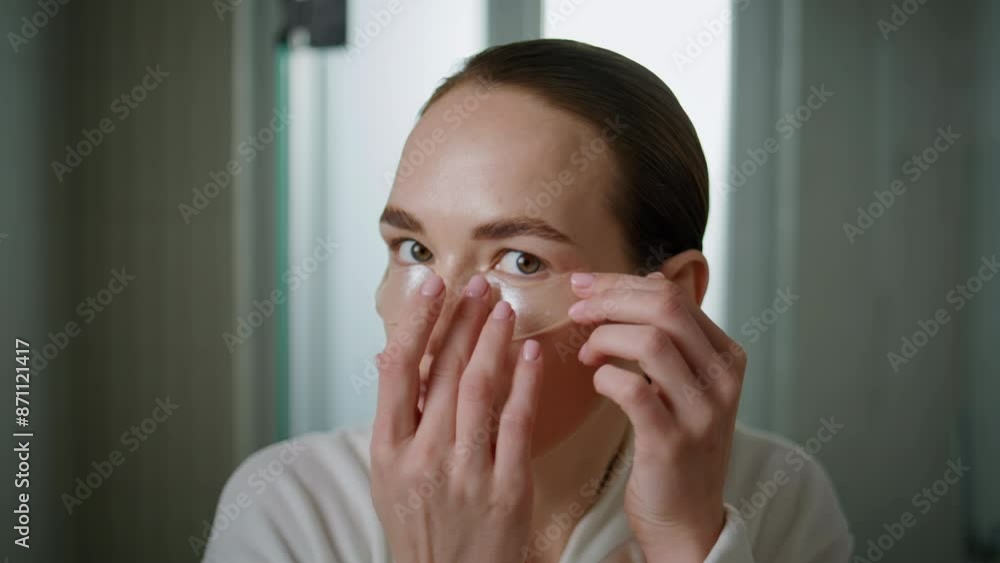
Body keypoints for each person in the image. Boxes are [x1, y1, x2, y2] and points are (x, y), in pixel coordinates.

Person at [202, 39, 852, 563]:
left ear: (665, 301)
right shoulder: (289, 507)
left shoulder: (780, 497)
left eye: (521, 261)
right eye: (415, 250)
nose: (434, 328)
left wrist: (687, 542)